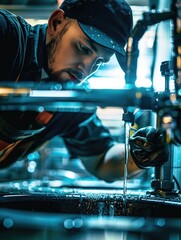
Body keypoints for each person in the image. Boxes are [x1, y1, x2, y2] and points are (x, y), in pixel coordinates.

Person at [0, 0, 168, 182]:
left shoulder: (72, 100)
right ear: (56, 23)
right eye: (83, 48)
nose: (86, 71)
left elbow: (102, 160)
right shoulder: (7, 36)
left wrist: (139, 156)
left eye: (99, 62)